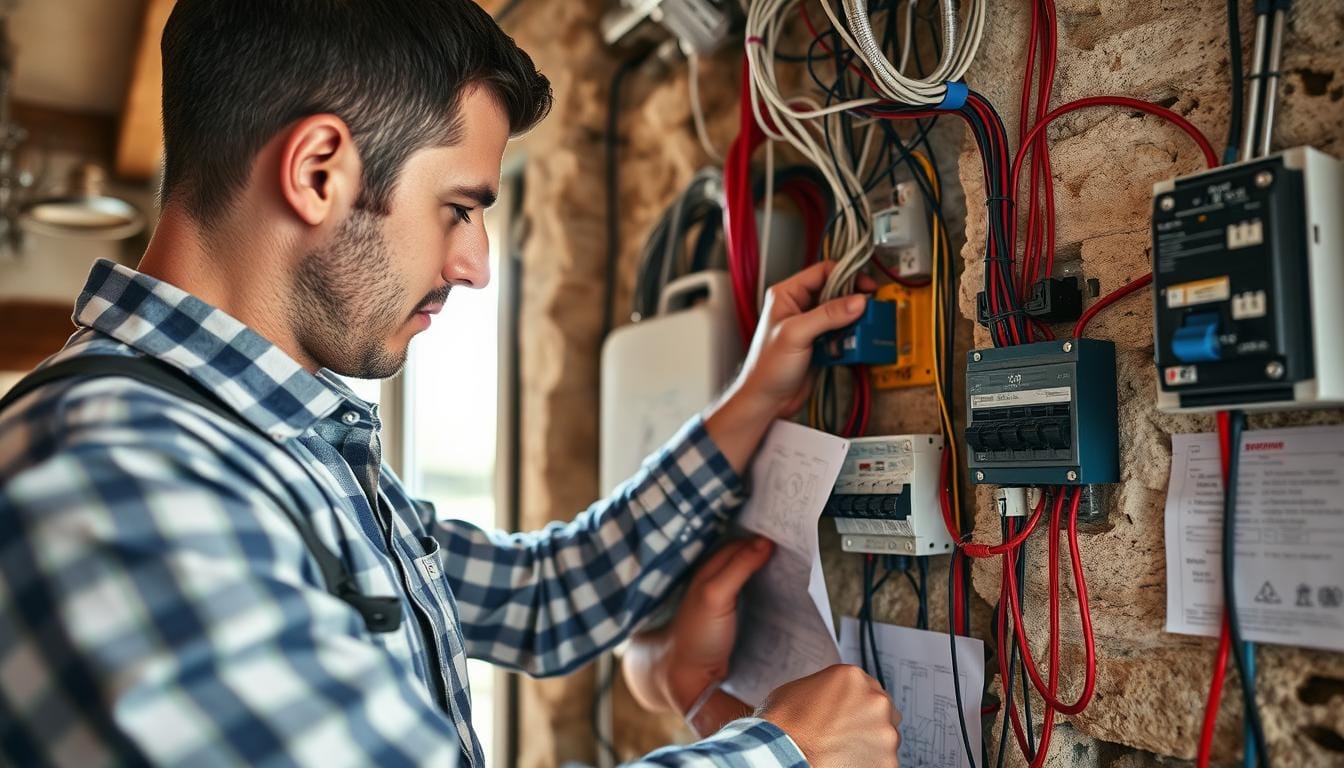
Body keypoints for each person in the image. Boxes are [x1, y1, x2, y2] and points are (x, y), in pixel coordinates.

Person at [0, 1, 901, 765]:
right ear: (318, 171)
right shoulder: (122, 476)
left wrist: (748, 403)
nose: (473, 265)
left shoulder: (284, 451)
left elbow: (551, 596)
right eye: (459, 208)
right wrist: (786, 752)